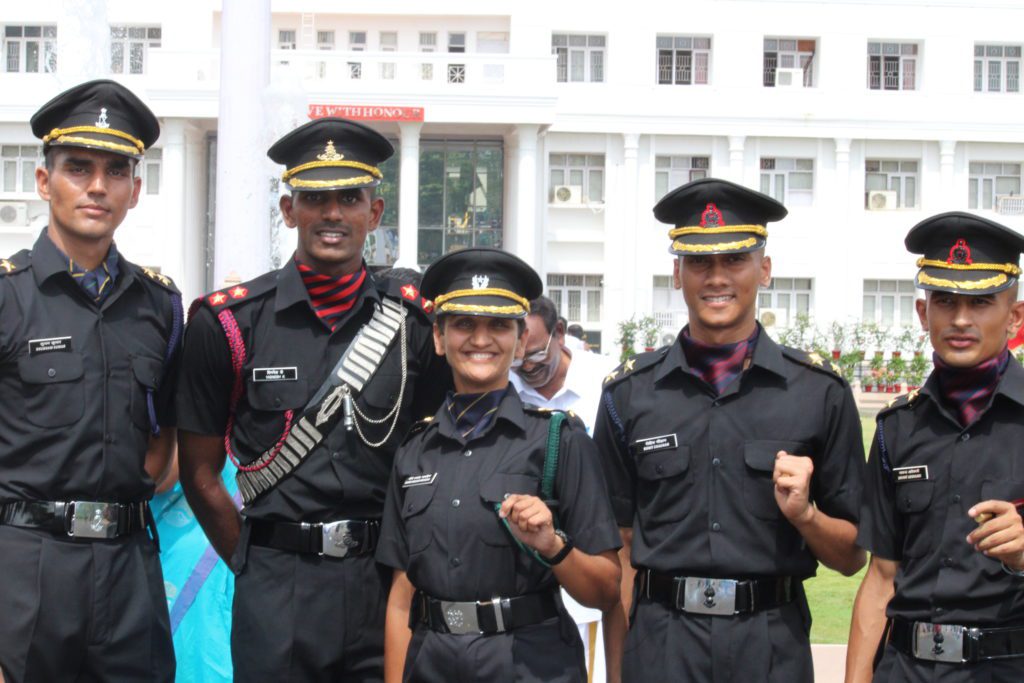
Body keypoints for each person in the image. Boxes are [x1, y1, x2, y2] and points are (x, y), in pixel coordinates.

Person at [175, 117, 449, 682]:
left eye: (349, 197)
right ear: (288, 210)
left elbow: (435, 454)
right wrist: (252, 563)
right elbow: (199, 473)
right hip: (276, 586)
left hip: (384, 584)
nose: (331, 213)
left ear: (373, 214)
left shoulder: (413, 324)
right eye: (314, 197)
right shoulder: (229, 323)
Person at [594, 177, 866, 683]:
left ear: (764, 268)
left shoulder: (818, 392)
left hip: (769, 643)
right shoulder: (628, 394)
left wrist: (805, 515)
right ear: (677, 273)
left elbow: (852, 556)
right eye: (699, 262)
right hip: (663, 646)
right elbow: (621, 550)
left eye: (734, 260)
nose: (716, 277)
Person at [0, 79, 179, 682]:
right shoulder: (6, 297)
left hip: (128, 569)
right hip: (27, 568)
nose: (97, 186)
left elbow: (164, 446)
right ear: (44, 181)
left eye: (116, 170)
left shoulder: (159, 305)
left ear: (134, 189)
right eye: (78, 168)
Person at [377, 247, 622, 683]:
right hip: (431, 663)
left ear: (519, 338)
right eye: (464, 324)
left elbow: (605, 590)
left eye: (497, 325)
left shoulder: (558, 441)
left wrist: (552, 545)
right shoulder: (414, 450)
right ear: (438, 337)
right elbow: (401, 598)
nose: (480, 339)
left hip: (531, 666)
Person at [847, 212, 1024, 682]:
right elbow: (882, 576)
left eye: (982, 301)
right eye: (945, 301)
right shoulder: (897, 427)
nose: (961, 319)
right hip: (904, 669)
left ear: (1015, 316)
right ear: (924, 313)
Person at [509, 295, 618, 679]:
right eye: (517, 359)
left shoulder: (610, 384)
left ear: (559, 333)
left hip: (596, 563)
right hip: (523, 583)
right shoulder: (503, 389)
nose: (527, 367)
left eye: (536, 355)